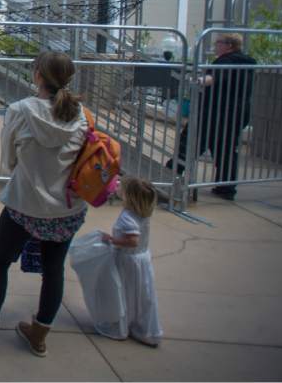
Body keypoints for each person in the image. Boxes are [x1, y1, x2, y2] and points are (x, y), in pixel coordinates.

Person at [0, 51, 87, 359]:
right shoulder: (80, 114)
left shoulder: (20, 110)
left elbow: (9, 160)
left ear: (38, 75)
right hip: (67, 209)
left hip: (24, 203)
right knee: (54, 271)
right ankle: (39, 334)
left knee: (0, 262)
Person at [169, 32, 257, 201]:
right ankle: (226, 188)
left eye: (218, 42)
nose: (215, 45)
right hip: (236, 114)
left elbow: (215, 78)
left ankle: (169, 174)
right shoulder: (248, 64)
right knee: (225, 150)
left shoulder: (226, 62)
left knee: (189, 144)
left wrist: (198, 81)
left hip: (215, 114)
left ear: (229, 45)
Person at [93, 178, 163, 346]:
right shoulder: (143, 214)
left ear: (129, 197)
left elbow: (133, 241)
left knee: (125, 292)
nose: (117, 188)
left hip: (127, 260)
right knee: (142, 294)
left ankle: (123, 324)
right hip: (142, 259)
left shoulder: (127, 217)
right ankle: (142, 326)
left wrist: (112, 240)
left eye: (121, 188)